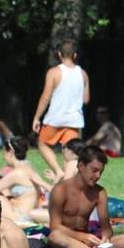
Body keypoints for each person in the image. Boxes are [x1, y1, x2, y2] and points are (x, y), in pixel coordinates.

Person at [47, 146, 124, 248]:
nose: (98, 176)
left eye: (100, 172)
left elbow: (107, 229)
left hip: (89, 241)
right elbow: (55, 226)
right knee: (55, 236)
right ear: (81, 166)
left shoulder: (99, 192)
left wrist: (104, 239)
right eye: (94, 170)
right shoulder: (61, 190)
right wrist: (82, 237)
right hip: (65, 238)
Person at [32, 39, 89, 180]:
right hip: (74, 119)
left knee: (42, 143)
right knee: (71, 153)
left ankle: (59, 172)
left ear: (59, 54)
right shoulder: (83, 74)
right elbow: (86, 99)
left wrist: (37, 117)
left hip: (56, 118)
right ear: (75, 55)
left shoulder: (54, 72)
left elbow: (46, 97)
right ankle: (68, 181)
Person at [0, 137, 51, 223]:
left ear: (10, 153)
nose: (4, 158)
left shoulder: (16, 174)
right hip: (26, 212)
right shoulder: (28, 167)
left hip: (19, 217)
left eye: (4, 153)